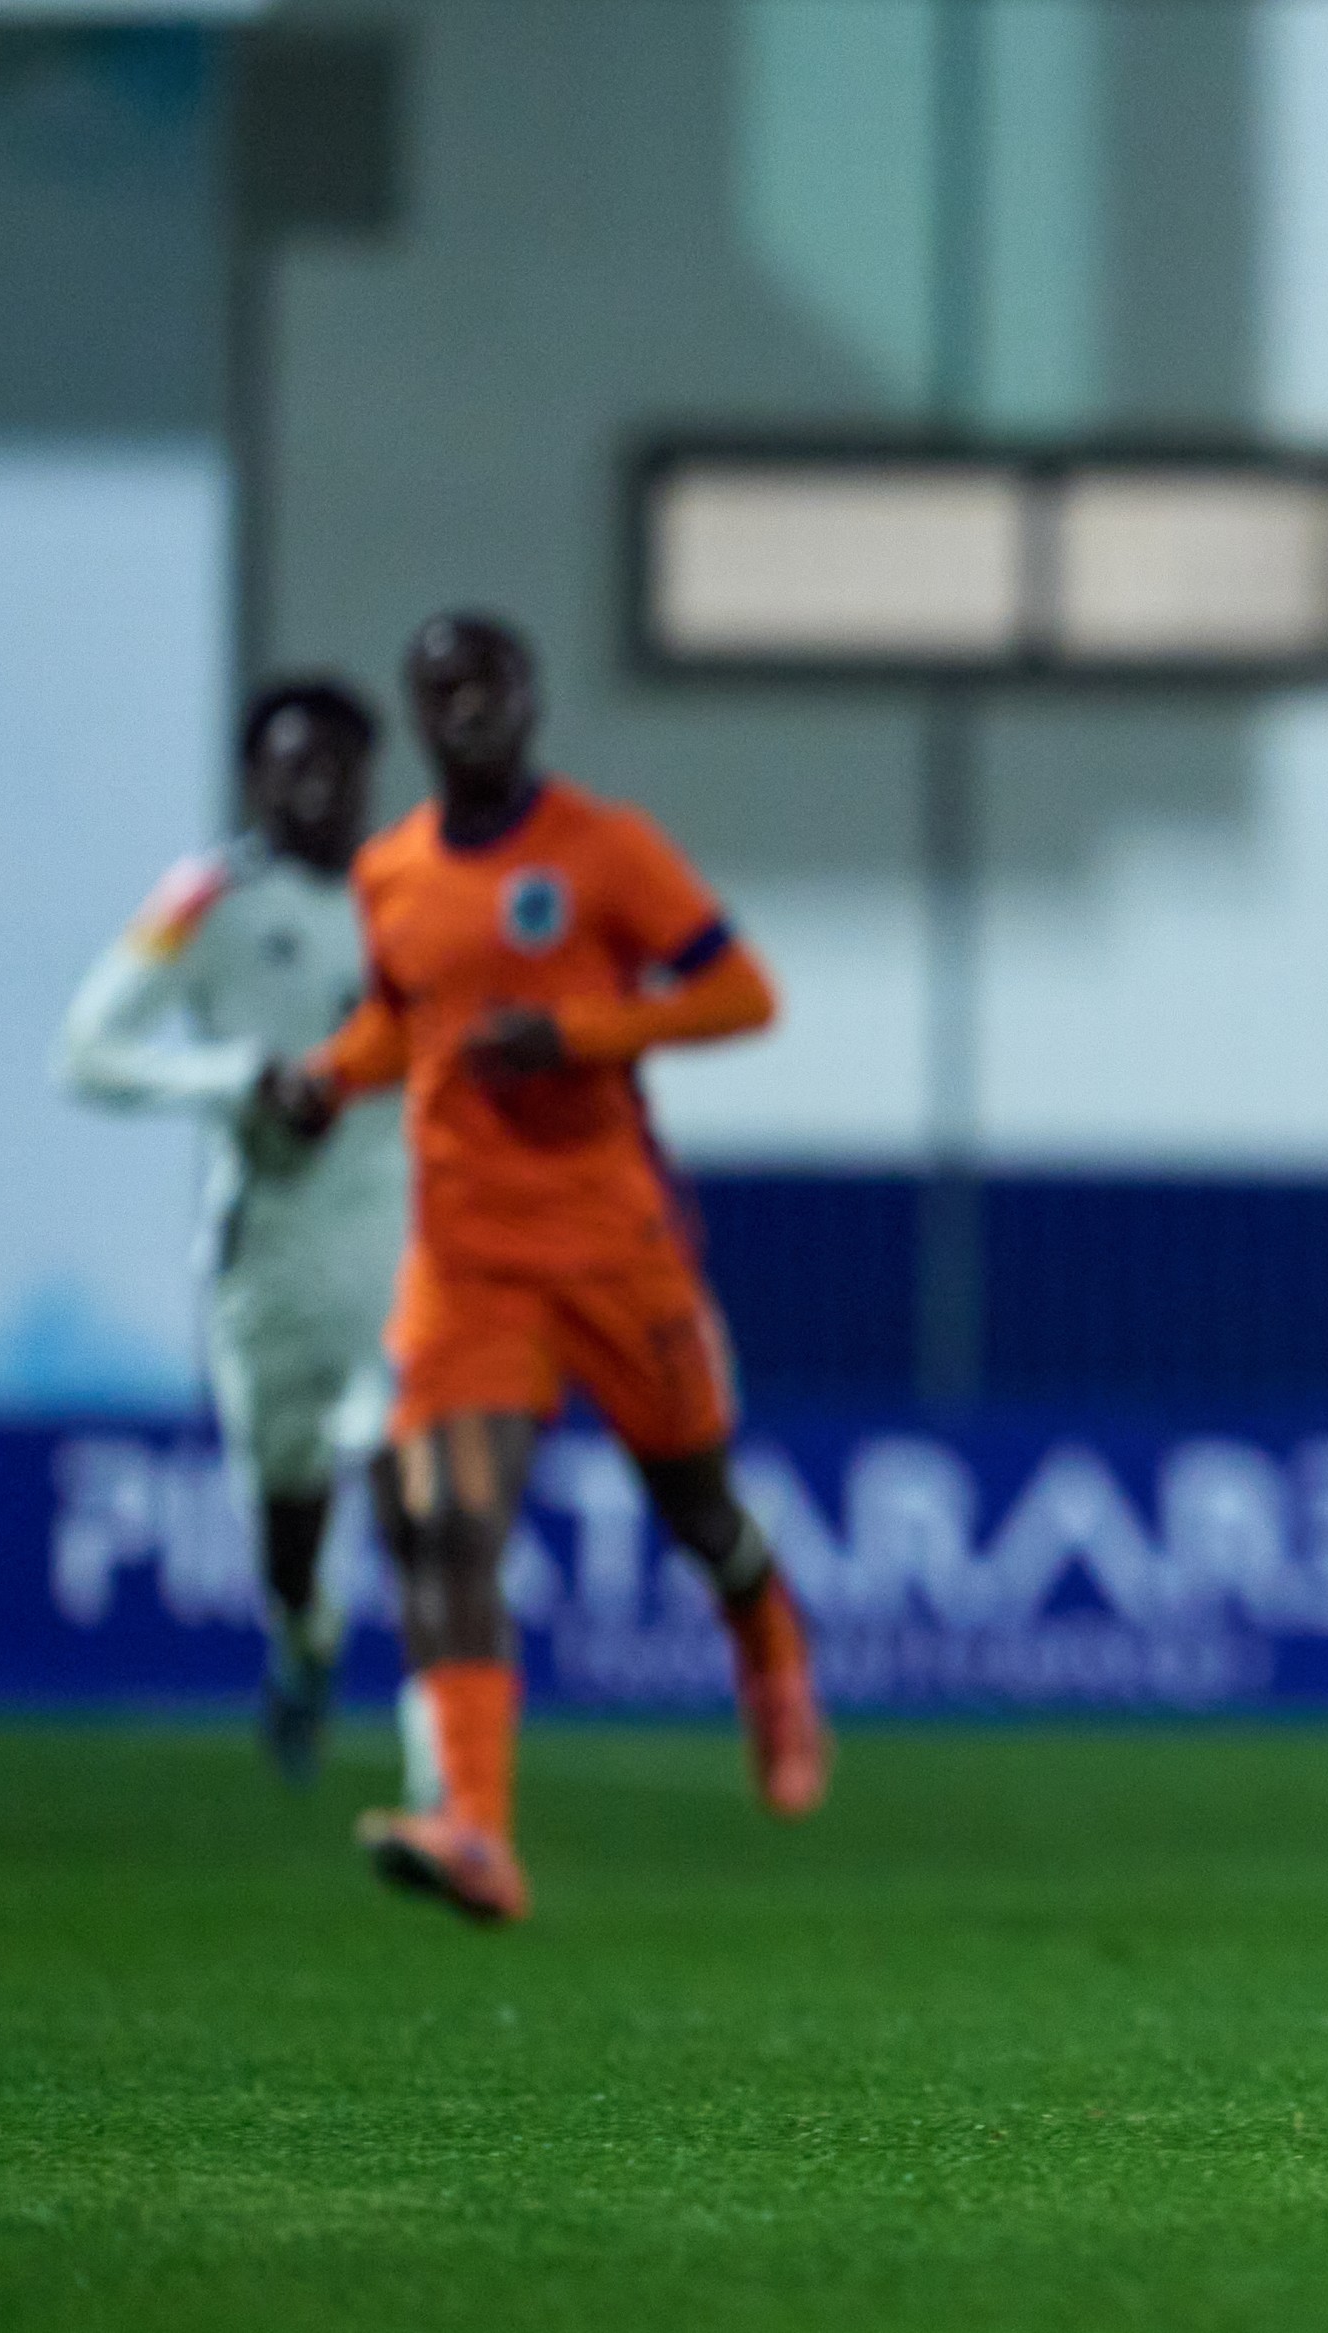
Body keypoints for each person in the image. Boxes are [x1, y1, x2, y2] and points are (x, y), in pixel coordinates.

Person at [264, 611, 829, 1925]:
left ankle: (771, 1652)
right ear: (418, 712)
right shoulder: (392, 871)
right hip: (468, 1262)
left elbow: (742, 992)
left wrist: (580, 1030)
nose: (466, 707)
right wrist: (328, 1078)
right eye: (440, 687)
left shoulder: (605, 851)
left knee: (700, 1511)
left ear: (528, 699)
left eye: (488, 684)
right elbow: (405, 1022)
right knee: (446, 1527)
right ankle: (476, 1828)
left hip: (614, 1249)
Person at [58, 679, 409, 1786]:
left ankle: (449, 1771)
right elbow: (87, 1051)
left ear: (369, 776)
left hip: (402, 1234)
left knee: (418, 1479)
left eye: (337, 764)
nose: (315, 784)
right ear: (254, 777)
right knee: (291, 1505)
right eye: (290, 763)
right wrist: (236, 1078)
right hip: (271, 1249)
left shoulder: (415, 893)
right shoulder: (205, 898)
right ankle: (303, 1643)